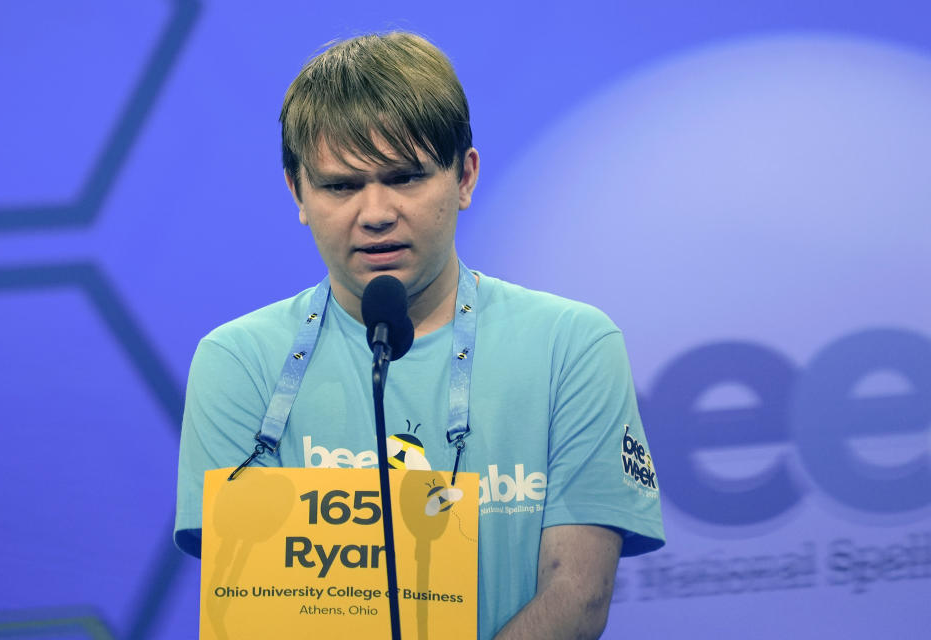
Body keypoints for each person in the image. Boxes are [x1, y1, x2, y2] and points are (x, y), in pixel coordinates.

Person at [174, 31, 665, 639]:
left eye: (405, 178)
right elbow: (249, 609)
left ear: (464, 177)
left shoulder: (572, 345)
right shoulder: (237, 361)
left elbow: (578, 596)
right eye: (340, 186)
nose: (376, 212)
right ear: (297, 193)